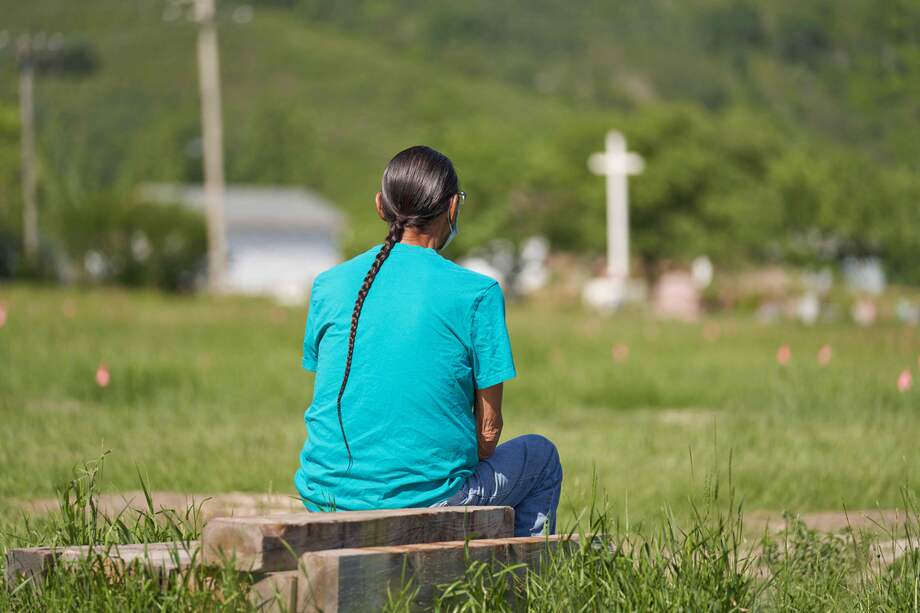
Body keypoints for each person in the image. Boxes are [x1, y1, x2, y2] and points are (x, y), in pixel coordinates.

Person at [294, 146, 562, 536]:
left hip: (323, 498)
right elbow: (488, 433)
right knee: (541, 457)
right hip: (426, 502)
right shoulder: (477, 293)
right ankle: (518, 584)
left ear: (379, 206)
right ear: (453, 207)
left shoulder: (328, 285)